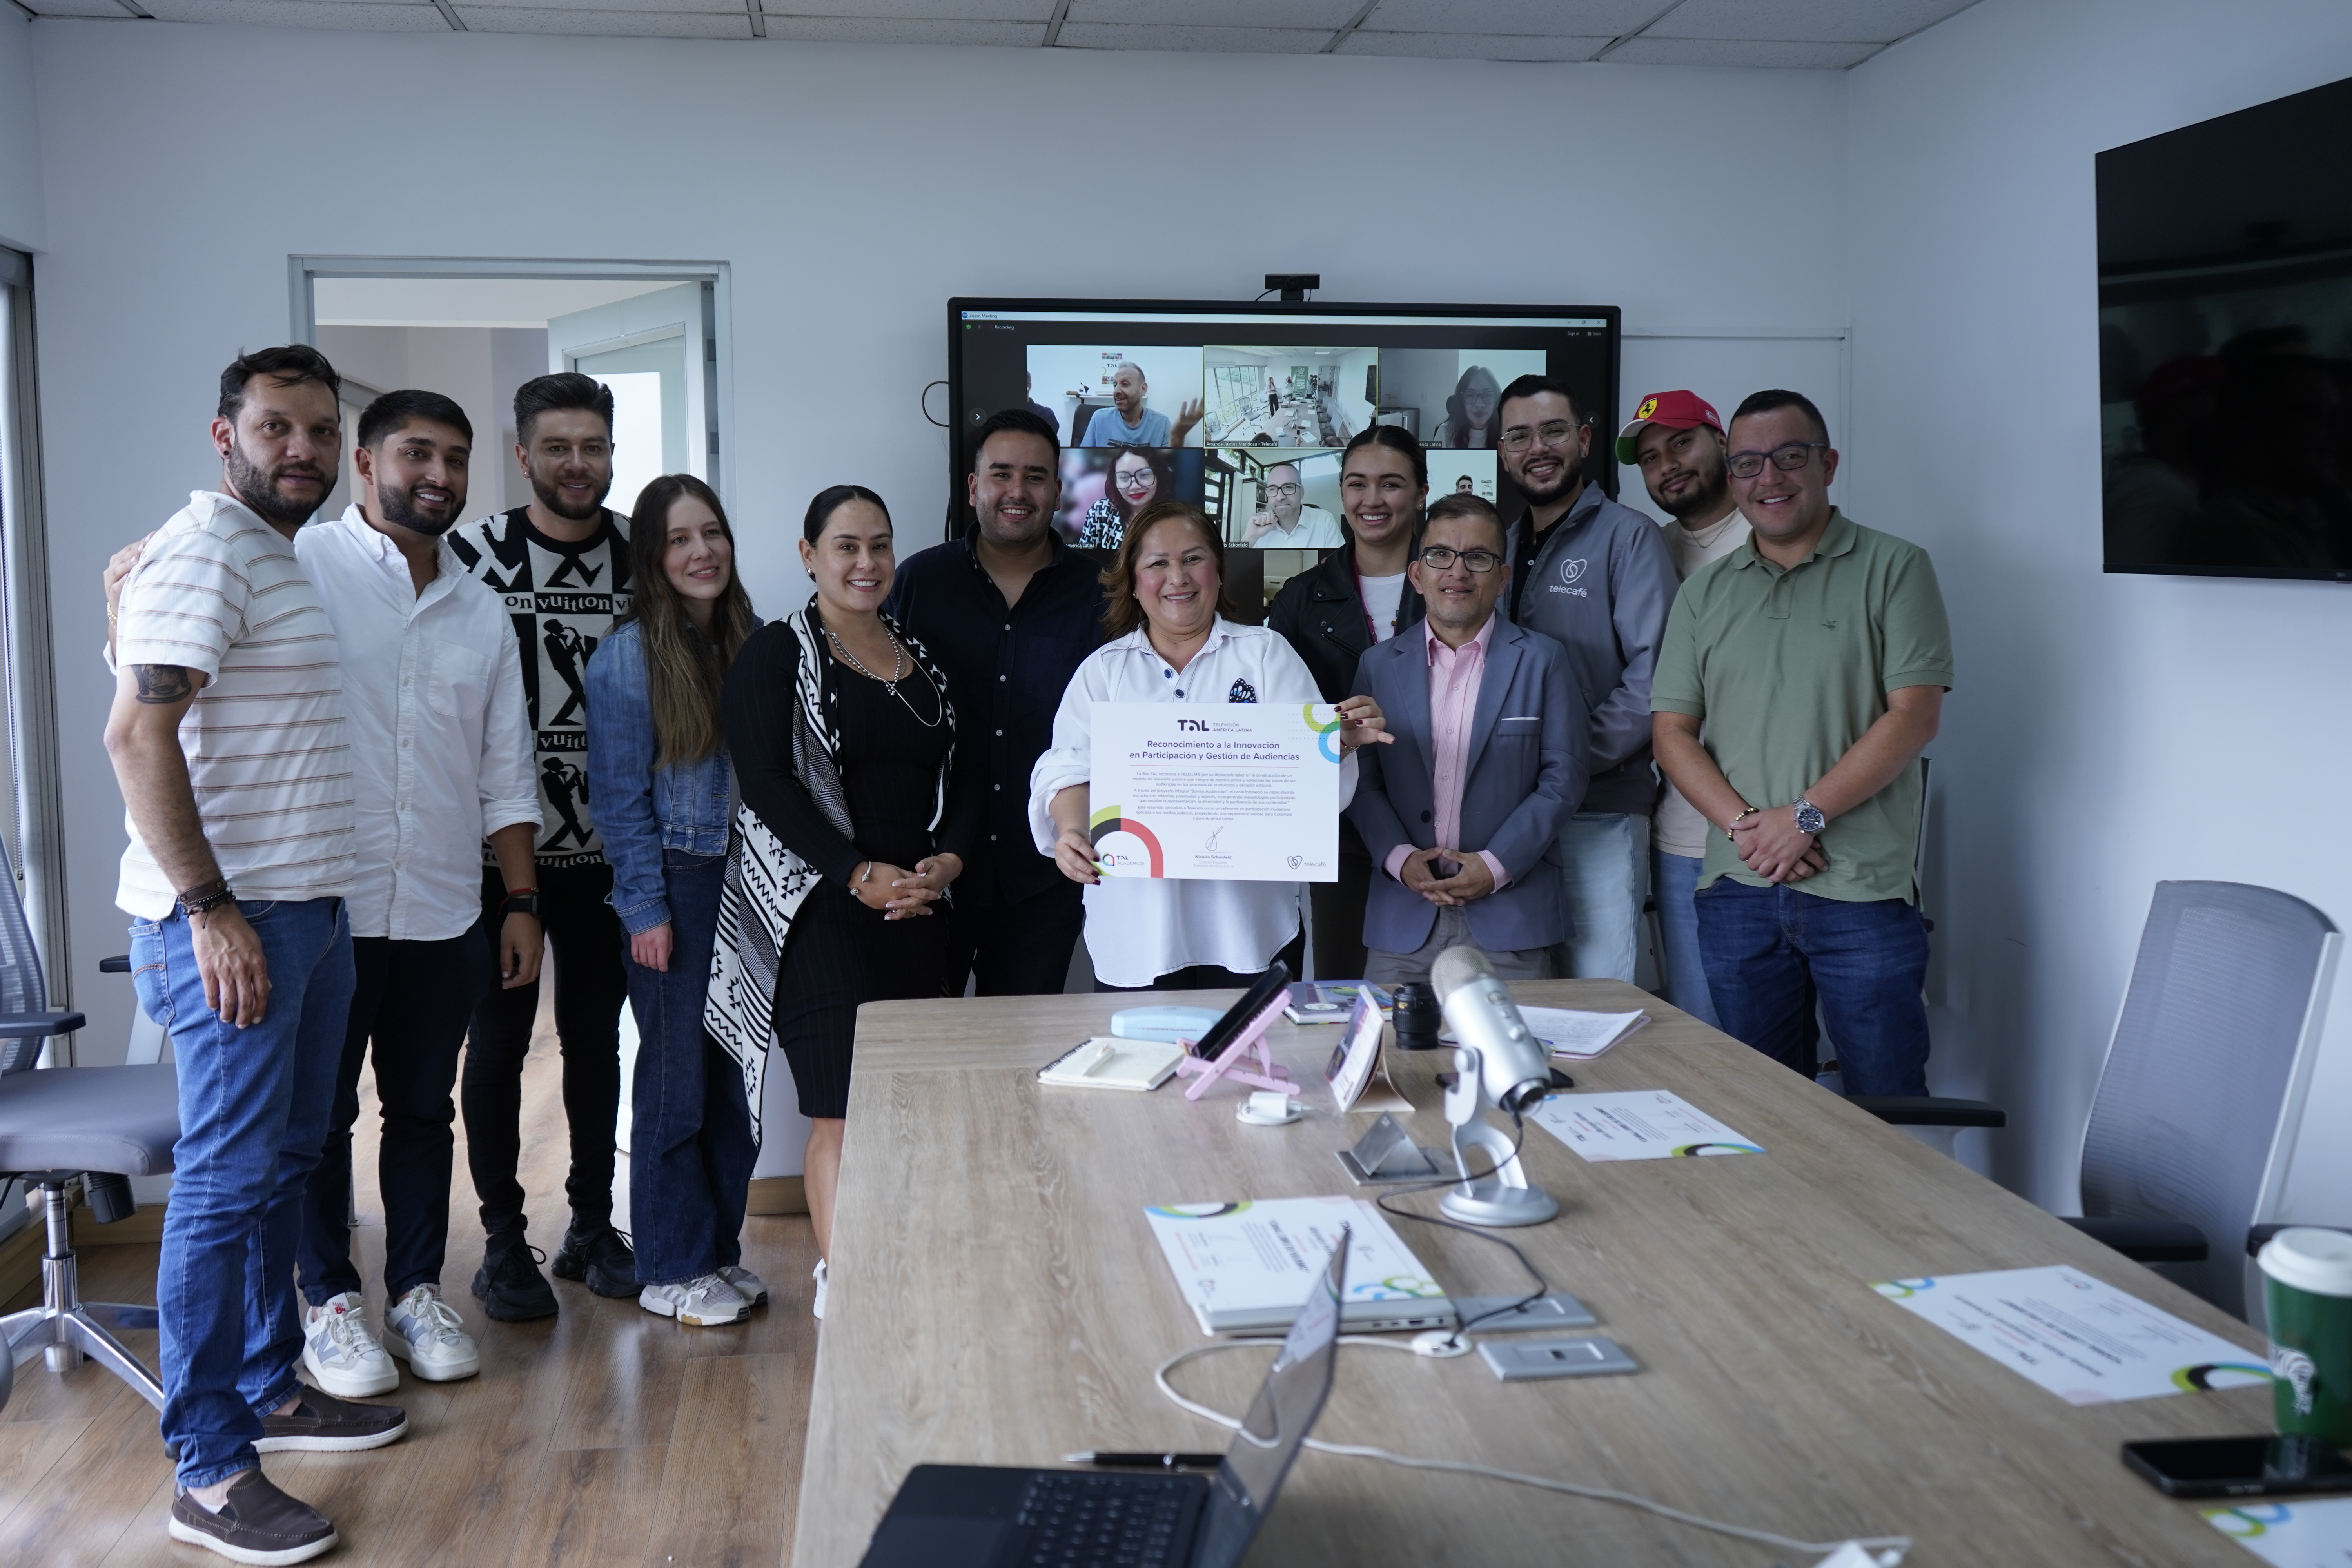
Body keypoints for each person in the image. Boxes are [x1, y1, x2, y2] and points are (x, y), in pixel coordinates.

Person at [105, 346, 401, 1565]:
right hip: (234, 922)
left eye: (321, 431)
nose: (304, 450)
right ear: (225, 435)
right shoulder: (209, 548)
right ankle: (211, 1469)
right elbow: (138, 737)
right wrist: (210, 908)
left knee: (285, 1162)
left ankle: (273, 1386)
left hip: (305, 910)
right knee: (227, 1185)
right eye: (278, 427)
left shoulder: (265, 553)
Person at [288, 391, 543, 1399]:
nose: (439, 475)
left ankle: (415, 1291)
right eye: (416, 453)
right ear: (365, 462)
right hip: (327, 907)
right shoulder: (301, 564)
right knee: (319, 1119)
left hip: (443, 906)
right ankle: (328, 1300)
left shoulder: (481, 609)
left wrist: (520, 899)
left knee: (424, 1110)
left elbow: (506, 771)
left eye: (456, 458)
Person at [707, 485, 980, 1320]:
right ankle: (849, 1281)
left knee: (909, 1105)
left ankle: (902, 1259)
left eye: (880, 545)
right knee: (842, 1111)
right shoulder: (774, 654)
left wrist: (946, 864)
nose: (867, 563)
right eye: (847, 546)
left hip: (918, 910)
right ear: (809, 555)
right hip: (817, 910)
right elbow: (765, 786)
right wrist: (857, 872)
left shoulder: (924, 657)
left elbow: (966, 775)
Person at [1651, 390, 1953, 1096]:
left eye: (1789, 456)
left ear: (1828, 464)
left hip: (1862, 892)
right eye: (1748, 463)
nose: (1769, 477)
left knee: (1888, 1112)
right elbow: (1672, 733)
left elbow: (1914, 717)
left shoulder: (1896, 567)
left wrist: (1804, 818)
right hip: (1738, 889)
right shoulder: (1703, 595)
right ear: (1732, 476)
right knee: (1763, 1114)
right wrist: (1749, 829)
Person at [447, 372, 637, 1319]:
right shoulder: (468, 557)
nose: (576, 462)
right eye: (557, 446)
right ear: (522, 455)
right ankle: (502, 1242)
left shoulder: (644, 558)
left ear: (611, 453)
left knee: (597, 1039)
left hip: (612, 856)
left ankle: (593, 1226)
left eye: (592, 445)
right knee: (498, 1045)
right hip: (496, 860)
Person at [1031, 500, 1390, 991]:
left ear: (1218, 573)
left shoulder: (1265, 654)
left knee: (1255, 1044)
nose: (1178, 577)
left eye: (1193, 559)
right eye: (1158, 563)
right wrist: (1073, 830)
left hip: (1250, 928)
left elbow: (1308, 784)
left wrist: (1336, 745)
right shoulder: (1104, 671)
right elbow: (1069, 767)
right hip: (1139, 933)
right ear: (1133, 582)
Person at [586, 474, 766, 1327]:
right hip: (678, 887)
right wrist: (645, 911)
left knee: (732, 1082)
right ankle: (668, 1266)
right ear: (653, 558)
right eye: (680, 539)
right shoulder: (628, 656)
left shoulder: (749, 640)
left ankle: (714, 1250)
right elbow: (619, 800)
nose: (703, 551)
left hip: (746, 889)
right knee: (675, 1083)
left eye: (712, 532)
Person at [887, 409, 1106, 997]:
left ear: (1057, 490)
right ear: (973, 486)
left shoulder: (1101, 594)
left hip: (1046, 877)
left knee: (1021, 1043)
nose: (1017, 491)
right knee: (923, 1040)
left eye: (1035, 477)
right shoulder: (917, 582)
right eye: (1001, 474)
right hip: (927, 868)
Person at [1348, 494, 1586, 984]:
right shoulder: (1377, 666)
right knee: (1389, 1037)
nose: (1458, 572)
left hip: (1512, 916)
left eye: (1478, 557)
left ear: (1503, 577)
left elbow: (1563, 780)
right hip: (1402, 916)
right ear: (1417, 575)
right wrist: (1398, 859)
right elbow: (1361, 781)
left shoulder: (1543, 660)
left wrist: (1496, 865)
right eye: (1440, 555)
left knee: (1519, 1039)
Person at [1494, 374, 1677, 983]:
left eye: (1553, 431)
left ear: (1584, 440)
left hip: (1600, 811)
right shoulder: (1503, 547)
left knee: (1598, 997)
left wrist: (1563, 765)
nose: (1537, 449)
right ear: (1503, 453)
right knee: (1525, 996)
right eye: (1520, 437)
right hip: (1512, 819)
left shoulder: (1629, 537)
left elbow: (1654, 680)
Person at [1267, 425, 1428, 980]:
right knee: (1345, 994)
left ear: (1421, 493)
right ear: (1341, 492)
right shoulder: (1299, 599)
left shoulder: (1456, 587)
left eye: (1391, 484)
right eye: (1357, 484)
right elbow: (1277, 726)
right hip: (1341, 832)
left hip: (1448, 823)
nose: (1372, 500)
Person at [1619, 390, 1747, 1029]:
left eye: (1680, 443)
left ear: (1721, 442)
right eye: (1649, 458)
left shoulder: (1775, 536)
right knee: (1701, 1036)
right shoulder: (1649, 551)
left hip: (1784, 831)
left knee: (1785, 1050)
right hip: (1682, 835)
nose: (1667, 465)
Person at [1081, 359, 1202, 448]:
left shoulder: (1161, 423)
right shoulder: (1099, 418)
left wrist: (1177, 436)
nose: (1116, 391)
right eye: (1115, 385)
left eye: (1125, 385)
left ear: (1143, 389)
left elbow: (1169, 468)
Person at [1075, 445, 1169, 550]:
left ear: (1158, 476)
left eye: (1144, 475)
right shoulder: (1102, 511)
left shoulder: (1172, 516)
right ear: (1115, 482)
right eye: (1124, 478)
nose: (1135, 486)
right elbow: (1084, 554)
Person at [1243, 461, 1345, 547]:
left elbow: (1340, 562)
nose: (1280, 497)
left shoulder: (1325, 520)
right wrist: (1248, 538)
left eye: (1288, 487)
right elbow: (1236, 562)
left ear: (1302, 492)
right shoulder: (1259, 528)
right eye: (1272, 489)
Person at [1441, 365, 1504, 448]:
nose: (1480, 404)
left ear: (1497, 398)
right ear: (1462, 399)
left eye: (1488, 395)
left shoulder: (1505, 431)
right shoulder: (1446, 431)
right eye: (1470, 395)